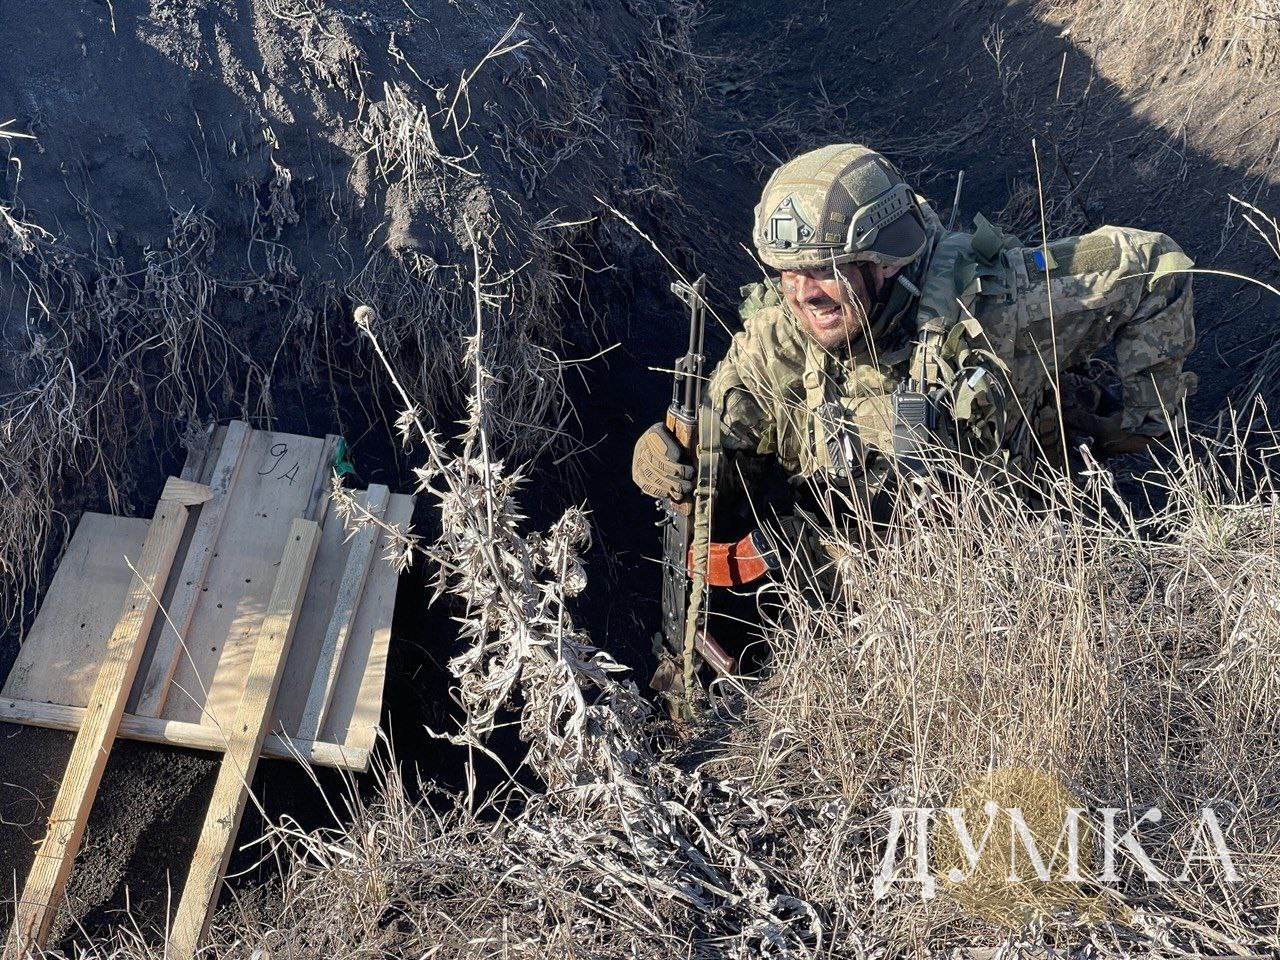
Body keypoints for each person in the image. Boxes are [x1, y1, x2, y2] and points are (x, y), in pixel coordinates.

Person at [631, 143, 1196, 685]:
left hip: (997, 582)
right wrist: (667, 460)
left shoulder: (1001, 304)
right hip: (844, 585)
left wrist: (1142, 421)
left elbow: (1155, 264)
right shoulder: (778, 340)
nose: (804, 293)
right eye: (788, 272)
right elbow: (718, 452)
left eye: (824, 269)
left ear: (883, 260)